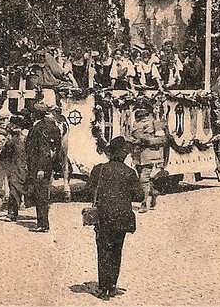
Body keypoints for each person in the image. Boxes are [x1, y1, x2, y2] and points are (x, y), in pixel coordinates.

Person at [85, 136, 144, 299]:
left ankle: (103, 287)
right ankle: (112, 286)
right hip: (121, 217)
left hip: (103, 216)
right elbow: (139, 196)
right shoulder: (129, 172)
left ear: (109, 153)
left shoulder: (99, 169)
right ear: (124, 155)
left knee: (103, 250)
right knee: (116, 250)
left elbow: (88, 190)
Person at [25, 103, 62, 232]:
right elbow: (56, 148)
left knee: (40, 195)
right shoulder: (53, 126)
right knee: (43, 194)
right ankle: (42, 223)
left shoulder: (40, 127)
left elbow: (44, 149)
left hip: (39, 166)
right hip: (48, 165)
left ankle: (42, 224)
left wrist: (40, 168)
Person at [128, 96, 166, 212]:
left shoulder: (155, 122)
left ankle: (144, 203)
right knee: (143, 178)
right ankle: (153, 192)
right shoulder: (135, 123)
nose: (140, 110)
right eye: (138, 107)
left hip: (149, 154)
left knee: (143, 178)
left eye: (142, 107)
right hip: (137, 154)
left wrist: (146, 141)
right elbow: (133, 135)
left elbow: (162, 139)